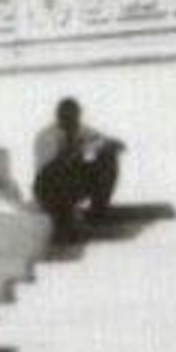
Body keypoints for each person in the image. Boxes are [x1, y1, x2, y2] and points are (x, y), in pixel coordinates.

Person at [29, 98, 125, 246]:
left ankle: (98, 210)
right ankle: (63, 219)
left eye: (73, 116)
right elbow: (51, 168)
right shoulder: (46, 136)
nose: (70, 121)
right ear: (59, 117)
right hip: (49, 187)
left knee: (108, 157)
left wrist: (107, 146)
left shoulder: (84, 131)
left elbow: (110, 143)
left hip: (73, 183)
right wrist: (79, 151)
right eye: (65, 117)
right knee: (63, 171)